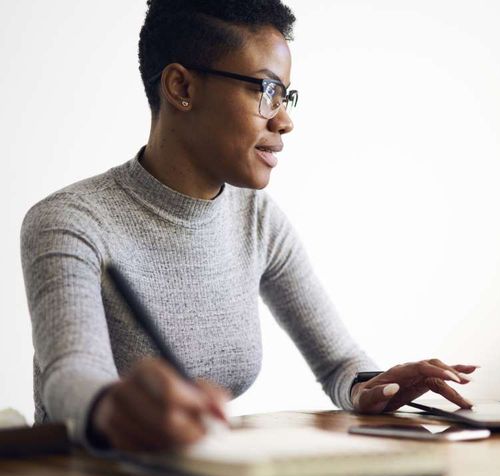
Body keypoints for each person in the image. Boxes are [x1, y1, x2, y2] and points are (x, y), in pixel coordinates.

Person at [20, 0, 475, 452]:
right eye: (266, 90)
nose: (284, 119)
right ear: (181, 87)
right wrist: (113, 407)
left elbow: (340, 364)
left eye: (285, 95)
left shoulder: (257, 218)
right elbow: (70, 378)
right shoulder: (71, 221)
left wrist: (371, 387)